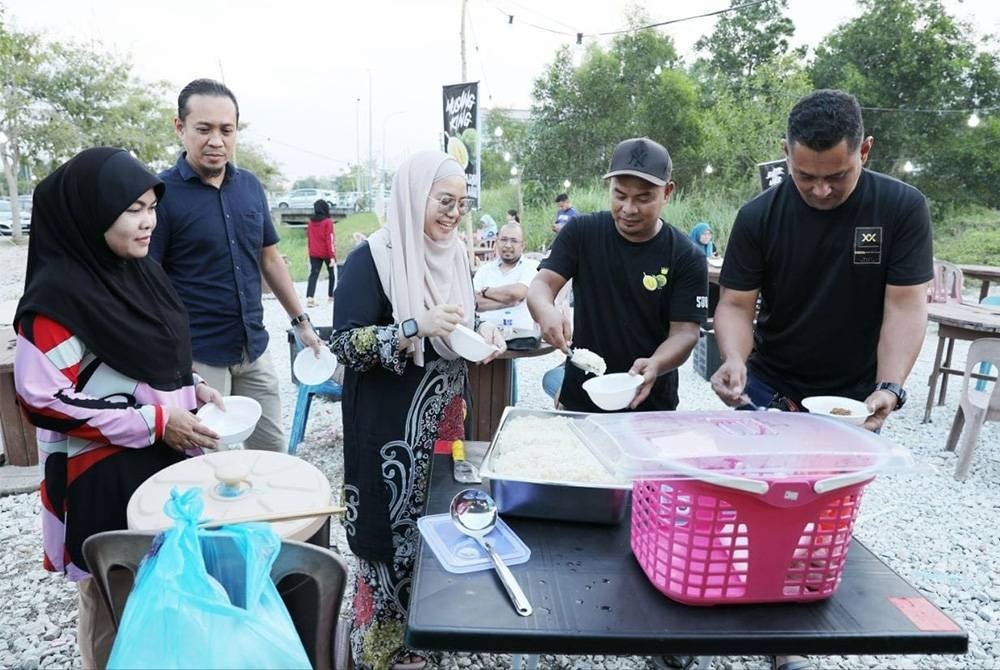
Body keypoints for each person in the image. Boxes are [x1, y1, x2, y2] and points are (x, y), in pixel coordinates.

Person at [710, 89, 933, 670]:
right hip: (771, 385)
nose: (820, 189)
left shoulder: (901, 208)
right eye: (804, 175)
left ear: (865, 148)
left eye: (836, 174)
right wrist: (733, 358)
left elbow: (906, 307)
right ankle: (732, 609)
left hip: (853, 400)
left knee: (820, 521)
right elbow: (734, 304)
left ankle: (786, 637)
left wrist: (891, 387)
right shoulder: (760, 215)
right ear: (785, 153)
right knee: (753, 506)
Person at [13, 148, 224, 669]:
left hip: (164, 460)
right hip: (103, 473)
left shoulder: (140, 274)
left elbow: (153, 358)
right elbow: (44, 398)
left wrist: (191, 388)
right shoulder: (56, 301)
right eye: (133, 208)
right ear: (90, 212)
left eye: (152, 206)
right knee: (115, 598)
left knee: (166, 583)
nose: (149, 220)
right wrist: (153, 420)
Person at [330, 150, 506, 670]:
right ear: (412, 197)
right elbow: (342, 345)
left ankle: (430, 643)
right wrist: (412, 328)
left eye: (461, 203)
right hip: (386, 434)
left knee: (440, 530)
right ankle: (382, 654)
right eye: (443, 201)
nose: (454, 214)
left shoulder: (455, 256)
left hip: (446, 423)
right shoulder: (373, 258)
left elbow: (463, 326)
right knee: (388, 544)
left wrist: (487, 334)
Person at [150, 78, 322, 453]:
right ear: (180, 128)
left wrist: (302, 324)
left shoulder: (249, 186)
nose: (216, 140)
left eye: (226, 130)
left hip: (253, 349)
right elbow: (149, 281)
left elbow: (270, 258)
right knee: (209, 459)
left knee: (273, 450)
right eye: (204, 129)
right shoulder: (160, 195)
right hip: (199, 357)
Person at [528, 137, 708, 412]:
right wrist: (545, 310)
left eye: (643, 198)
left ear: (668, 191)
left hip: (651, 404)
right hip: (581, 398)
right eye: (620, 195)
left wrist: (657, 363)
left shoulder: (686, 256)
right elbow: (542, 284)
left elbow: (685, 333)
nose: (629, 209)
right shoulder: (581, 233)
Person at [473, 222, 539, 335]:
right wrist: (509, 303)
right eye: (503, 239)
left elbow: (517, 293)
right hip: (485, 335)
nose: (508, 245)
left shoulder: (532, 266)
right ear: (496, 242)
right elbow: (474, 302)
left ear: (523, 245)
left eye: (514, 241)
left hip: (521, 337)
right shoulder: (484, 270)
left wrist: (486, 291)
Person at [306, 198, 336, 307]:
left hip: (314, 253)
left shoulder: (310, 222)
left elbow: (309, 239)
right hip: (327, 253)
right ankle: (331, 296)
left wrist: (310, 253)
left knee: (313, 275)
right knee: (332, 274)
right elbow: (330, 239)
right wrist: (332, 256)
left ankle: (310, 298)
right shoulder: (328, 222)